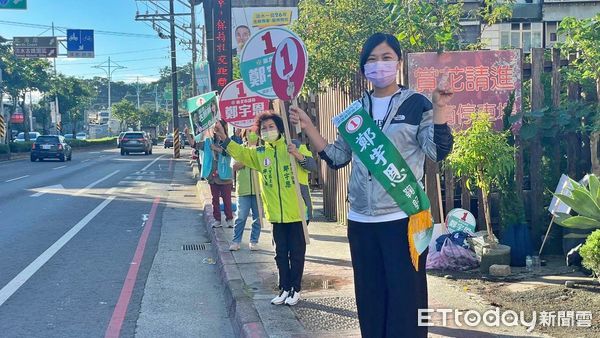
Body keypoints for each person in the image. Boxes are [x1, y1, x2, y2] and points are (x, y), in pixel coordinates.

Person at [289, 33, 454, 337]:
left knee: (406, 299)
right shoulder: (356, 111)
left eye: (386, 57)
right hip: (361, 221)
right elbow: (338, 157)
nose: (380, 65)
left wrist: (440, 110)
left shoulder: (417, 104)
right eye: (372, 59)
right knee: (370, 297)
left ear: (398, 62)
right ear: (364, 67)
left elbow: (436, 151)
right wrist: (309, 127)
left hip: (402, 218)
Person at [213, 112, 312, 306]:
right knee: (280, 253)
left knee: (297, 252)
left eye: (271, 127)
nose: (268, 131)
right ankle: (284, 288)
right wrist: (224, 139)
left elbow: (311, 166)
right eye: (264, 128)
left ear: (280, 128)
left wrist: (297, 154)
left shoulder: (295, 146)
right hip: (276, 214)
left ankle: (295, 289)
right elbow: (241, 154)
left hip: (298, 213)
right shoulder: (260, 153)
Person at [186, 121, 234, 228]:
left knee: (227, 199)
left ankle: (229, 219)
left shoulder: (228, 141)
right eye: (214, 127)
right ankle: (217, 219)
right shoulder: (208, 142)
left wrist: (216, 148)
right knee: (214, 199)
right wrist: (188, 135)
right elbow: (194, 145)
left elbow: (229, 153)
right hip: (213, 176)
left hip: (225, 175)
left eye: (218, 127)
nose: (216, 129)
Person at [230, 129, 262, 251]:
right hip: (243, 189)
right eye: (249, 131)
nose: (252, 134)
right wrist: (248, 159)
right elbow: (234, 166)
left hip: (258, 189)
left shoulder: (261, 150)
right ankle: (236, 241)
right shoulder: (239, 149)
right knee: (241, 216)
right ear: (245, 134)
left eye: (254, 131)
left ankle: (254, 241)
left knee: (258, 218)